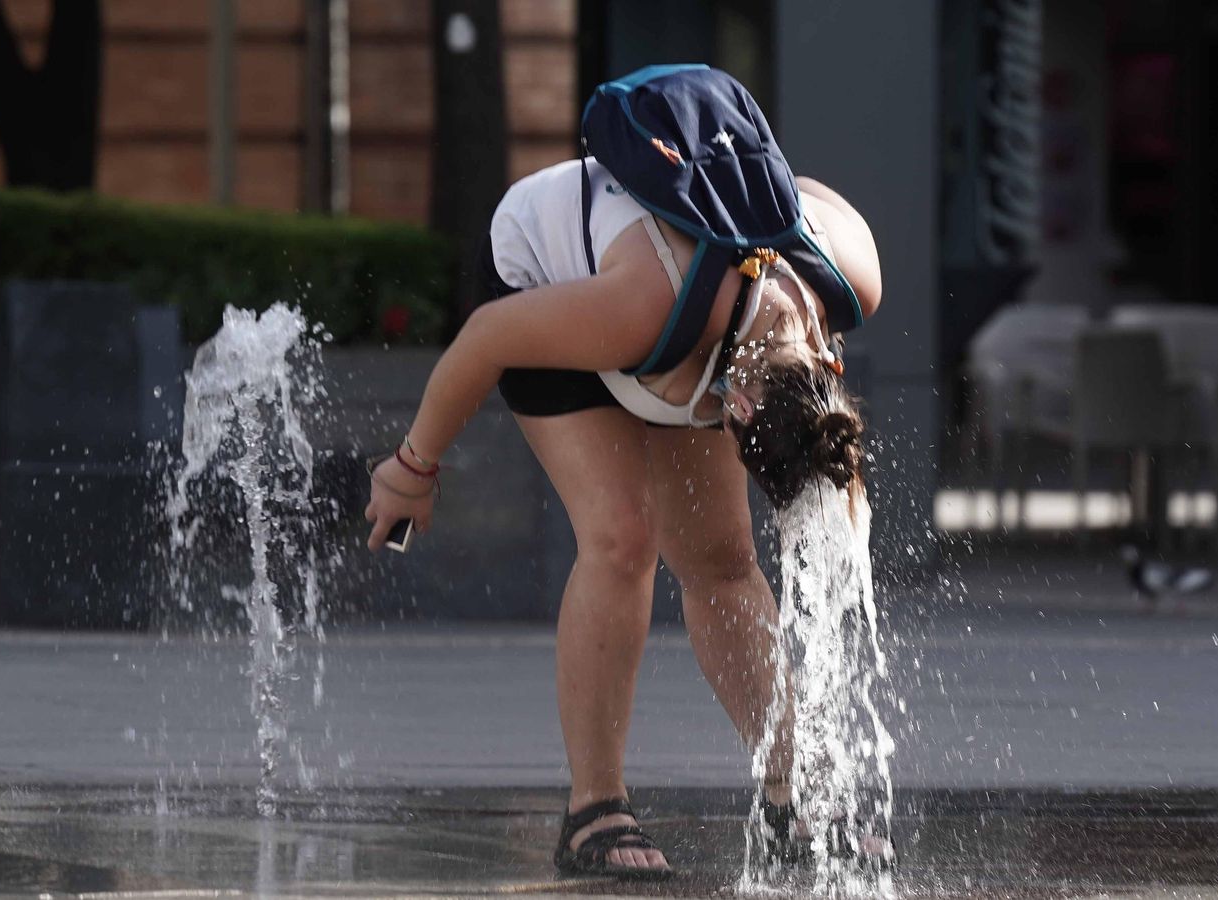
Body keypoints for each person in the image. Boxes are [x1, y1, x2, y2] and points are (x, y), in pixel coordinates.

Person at [363, 152, 882, 879]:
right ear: (736, 406)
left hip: (695, 309)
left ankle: (791, 790)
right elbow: (486, 337)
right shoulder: (640, 310)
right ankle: (594, 809)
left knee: (723, 558)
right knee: (622, 538)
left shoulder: (849, 276)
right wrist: (412, 469)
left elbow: (795, 184)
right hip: (552, 280)